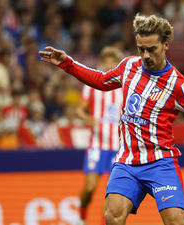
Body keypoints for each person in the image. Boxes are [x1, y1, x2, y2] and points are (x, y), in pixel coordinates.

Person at [40, 14, 184, 225]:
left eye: (151, 49)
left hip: (161, 163)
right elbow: (100, 80)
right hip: (127, 162)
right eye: (141, 49)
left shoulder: (178, 84)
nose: (145, 55)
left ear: (166, 45)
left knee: (177, 222)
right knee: (112, 215)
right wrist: (66, 63)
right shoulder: (129, 66)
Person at [76, 46, 124, 225]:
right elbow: (79, 111)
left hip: (118, 147)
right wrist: (88, 118)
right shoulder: (92, 86)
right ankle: (81, 216)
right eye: (106, 61)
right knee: (90, 187)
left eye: (113, 61)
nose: (109, 64)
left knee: (113, 192)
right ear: (102, 63)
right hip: (97, 144)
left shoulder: (124, 87)